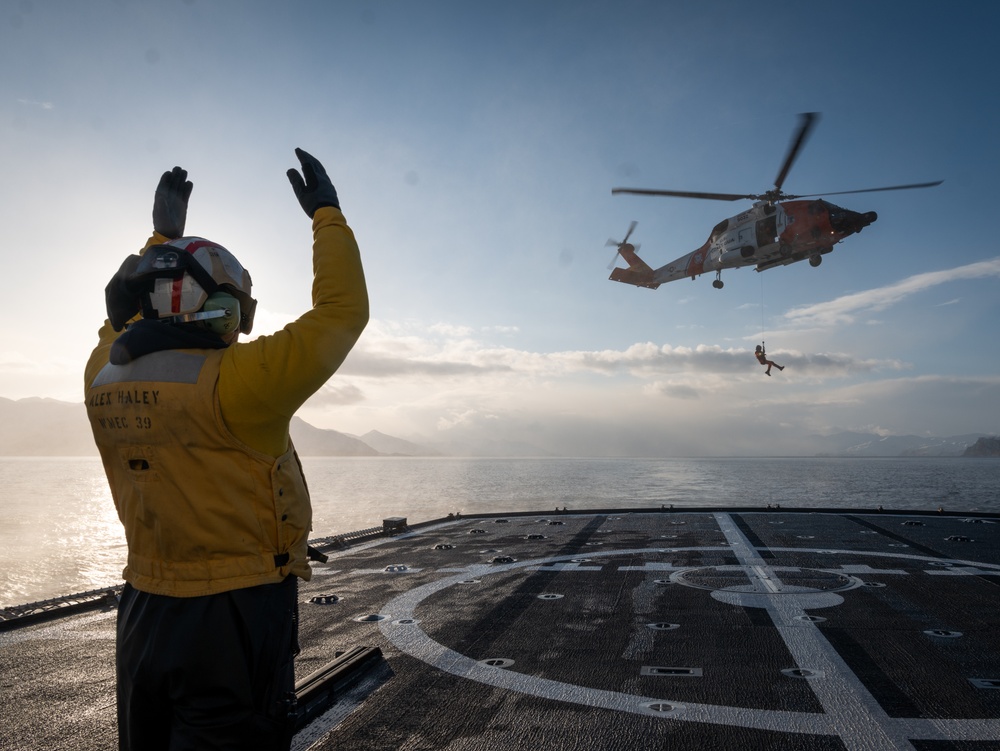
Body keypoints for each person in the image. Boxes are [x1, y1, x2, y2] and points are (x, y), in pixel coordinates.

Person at [84, 148, 368, 750]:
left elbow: (119, 326)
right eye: (239, 305)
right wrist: (327, 216)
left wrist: (161, 238)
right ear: (217, 306)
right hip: (234, 615)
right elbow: (342, 312)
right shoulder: (241, 382)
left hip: (142, 610)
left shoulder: (99, 378)